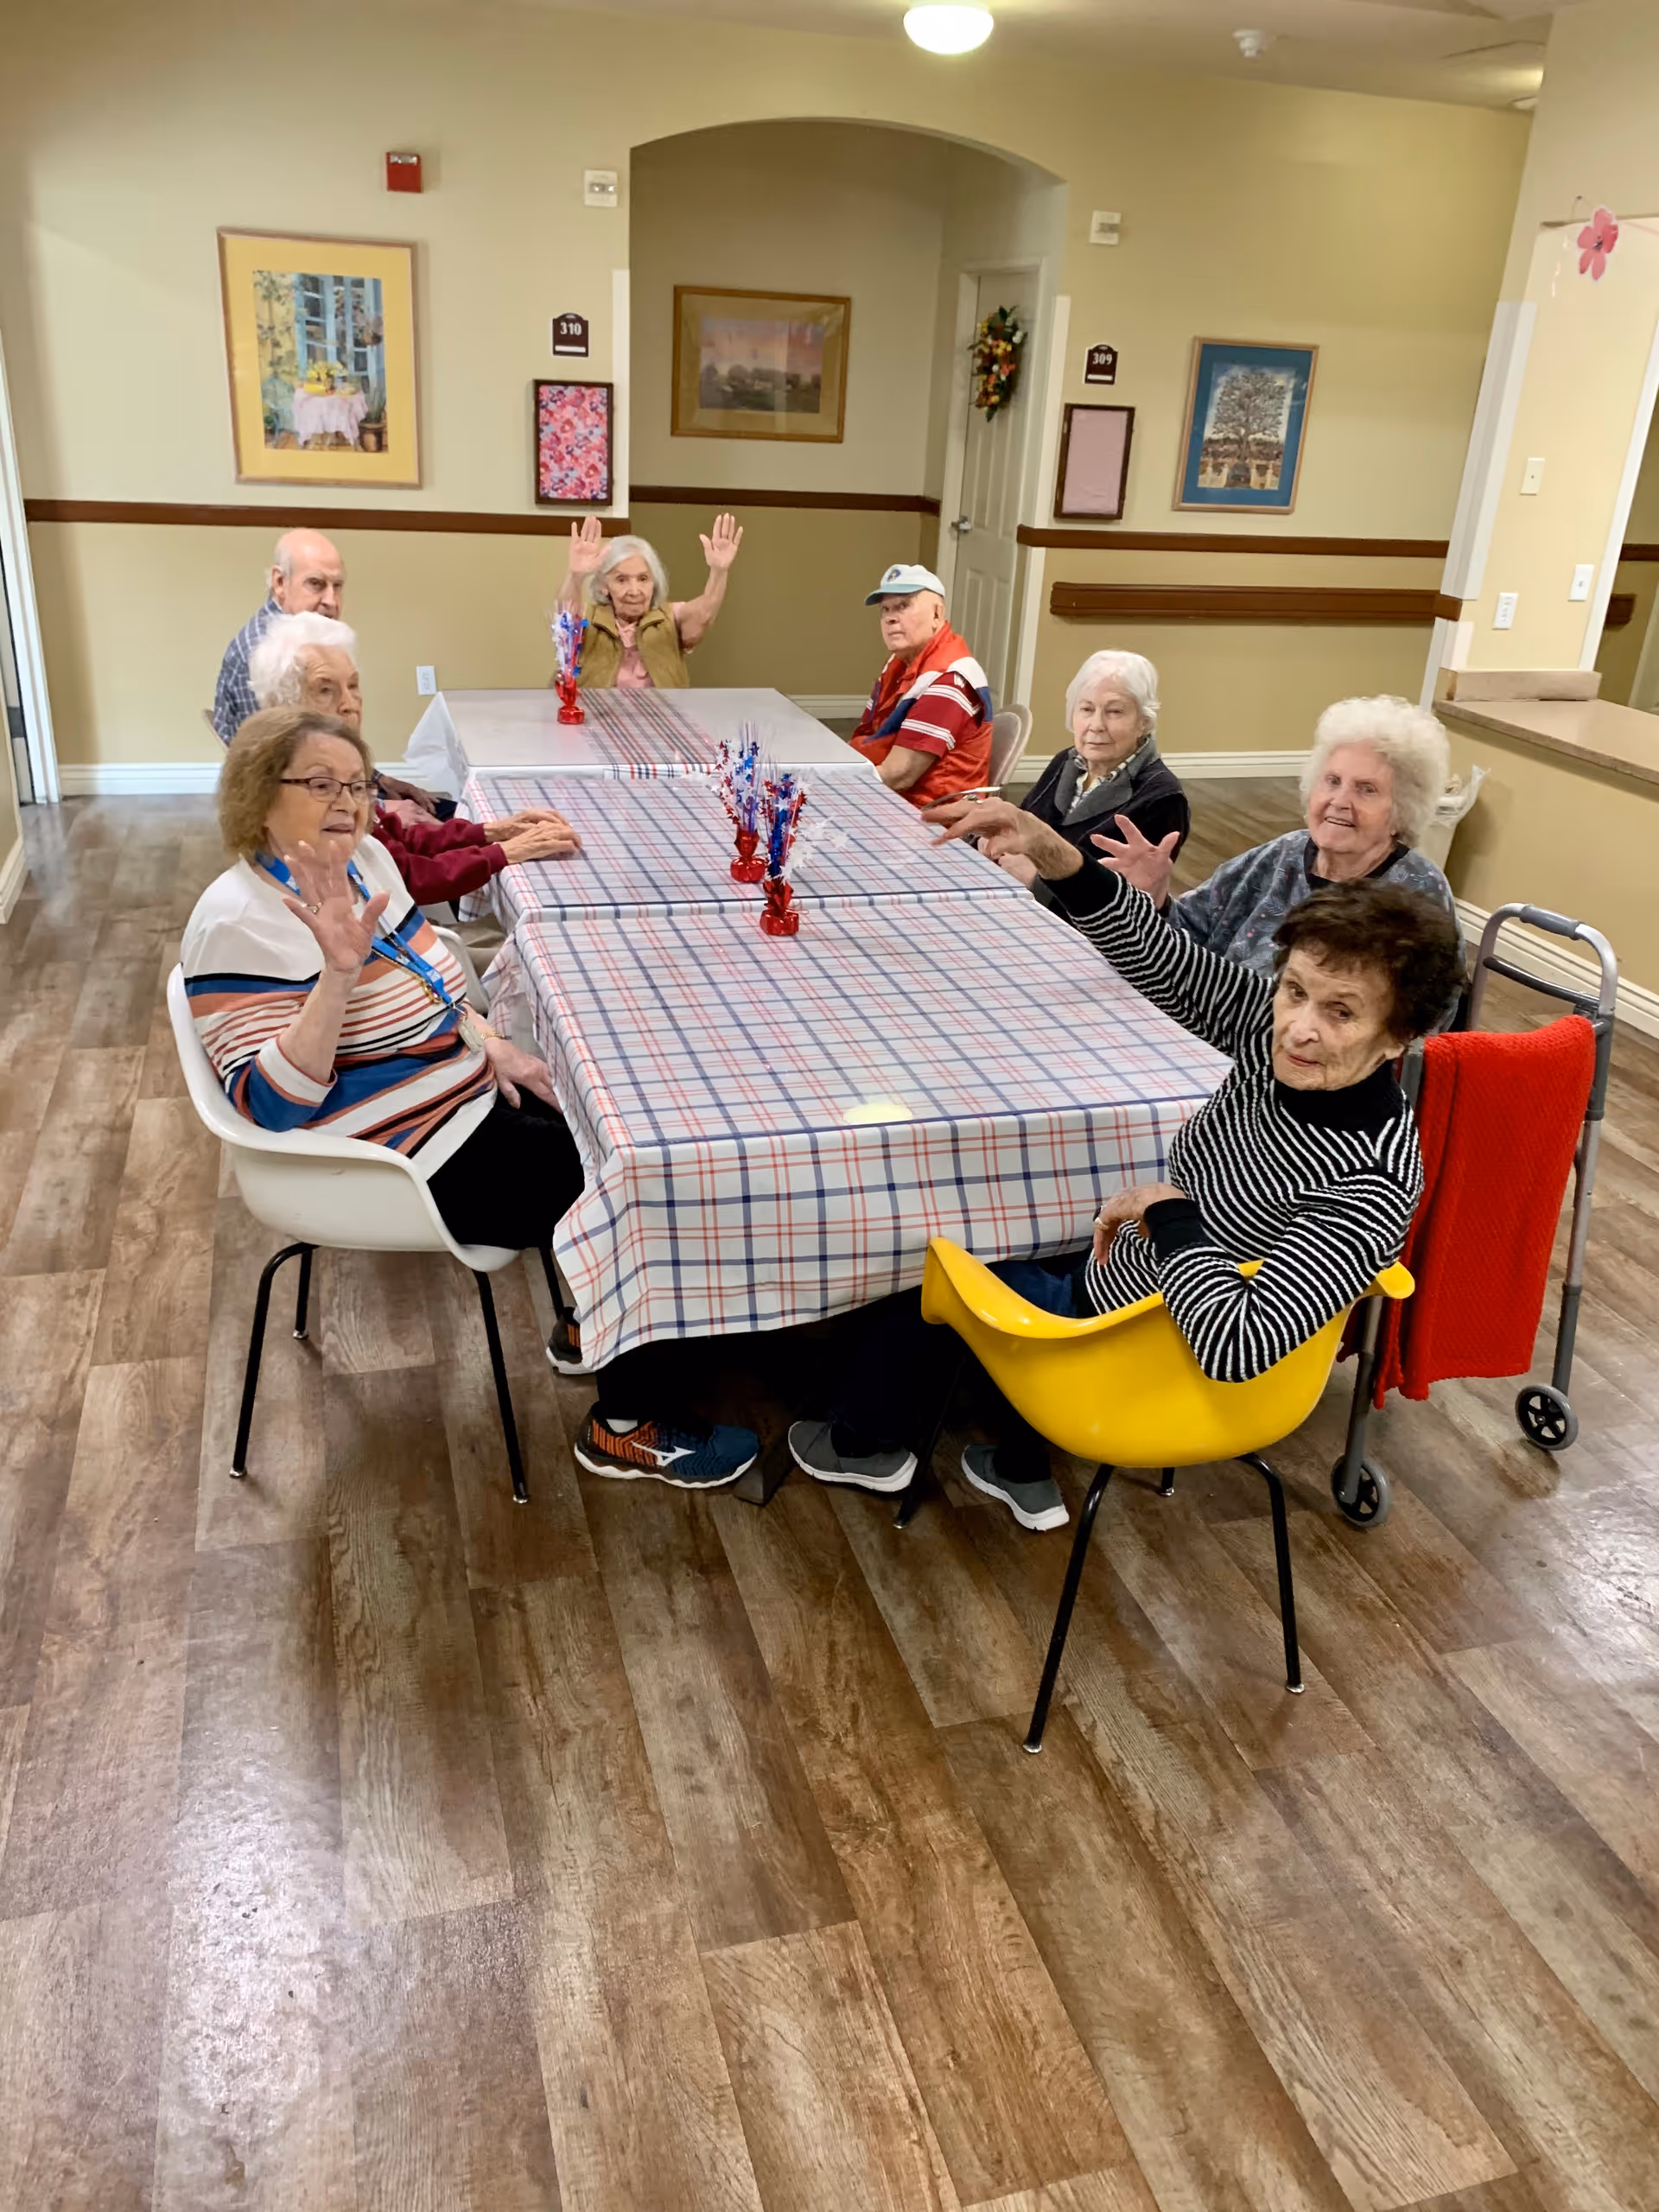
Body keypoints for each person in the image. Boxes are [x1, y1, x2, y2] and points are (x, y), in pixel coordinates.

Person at [788, 792, 1464, 1534]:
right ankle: (1019, 1460)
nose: (1299, 1029)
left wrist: (1163, 1210)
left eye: (1340, 1012)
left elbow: (1235, 1343)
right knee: (1044, 1228)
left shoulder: (1371, 1178)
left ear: (1400, 1037)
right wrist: (1056, 854)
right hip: (1133, 1285)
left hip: (1140, 1352)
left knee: (922, 1257)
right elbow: (1170, 965)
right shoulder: (1281, 1047)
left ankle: (862, 1443)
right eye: (1295, 991)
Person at [183, 708, 759, 1487]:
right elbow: (268, 1105)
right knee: (637, 1180)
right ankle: (627, 1425)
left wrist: (489, 1044)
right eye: (319, 784)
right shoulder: (237, 922)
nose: (347, 802)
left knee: (629, 1116)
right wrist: (338, 975)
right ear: (257, 795)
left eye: (356, 783)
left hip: (458, 1099)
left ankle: (605, 1311)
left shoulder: (367, 863)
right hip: (393, 1160)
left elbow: (429, 985)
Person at [1096, 695, 1453, 973]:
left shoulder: (1417, 892)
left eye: (1367, 789)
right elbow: (1190, 932)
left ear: (1401, 811)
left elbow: (1423, 1021)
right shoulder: (1283, 854)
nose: (1339, 801)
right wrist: (1158, 899)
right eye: (1332, 781)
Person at [248, 613, 582, 904]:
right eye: (325, 689)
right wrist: (506, 852)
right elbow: (406, 877)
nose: (350, 704)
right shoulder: (306, 790)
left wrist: (497, 830)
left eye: (353, 685)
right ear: (284, 703)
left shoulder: (339, 771)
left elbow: (399, 840)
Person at [1010, 650, 1188, 901]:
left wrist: (1036, 883)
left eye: (1115, 712)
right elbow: (1023, 823)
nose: (1096, 724)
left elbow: (1129, 906)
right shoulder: (1067, 762)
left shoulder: (1162, 798)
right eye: (1086, 709)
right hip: (1015, 895)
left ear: (1144, 722)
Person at [849, 564, 992, 810]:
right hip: (898, 801)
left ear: (937, 615)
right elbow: (868, 736)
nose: (890, 618)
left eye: (904, 606)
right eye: (885, 609)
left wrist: (835, 787)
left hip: (933, 817)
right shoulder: (898, 664)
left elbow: (900, 774)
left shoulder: (948, 679)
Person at [560, 514, 744, 689]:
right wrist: (576, 576)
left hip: (661, 718)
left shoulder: (671, 617)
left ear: (654, 581)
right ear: (603, 585)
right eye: (621, 580)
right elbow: (563, 624)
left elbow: (703, 615)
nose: (634, 591)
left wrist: (719, 571)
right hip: (598, 718)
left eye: (643, 579)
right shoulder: (589, 619)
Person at [213, 529, 346, 743]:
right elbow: (284, 759)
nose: (331, 601)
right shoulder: (261, 652)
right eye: (316, 583)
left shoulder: (308, 639)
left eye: (337, 586)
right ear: (280, 583)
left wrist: (378, 778)